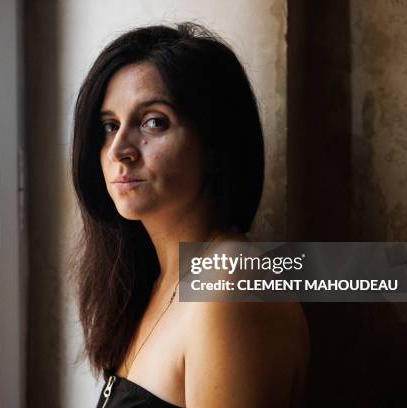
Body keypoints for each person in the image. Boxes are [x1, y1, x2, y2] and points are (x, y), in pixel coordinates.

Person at [71, 22, 308, 407]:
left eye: (154, 122)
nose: (118, 150)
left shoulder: (231, 282)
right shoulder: (154, 276)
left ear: (215, 144)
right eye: (109, 126)